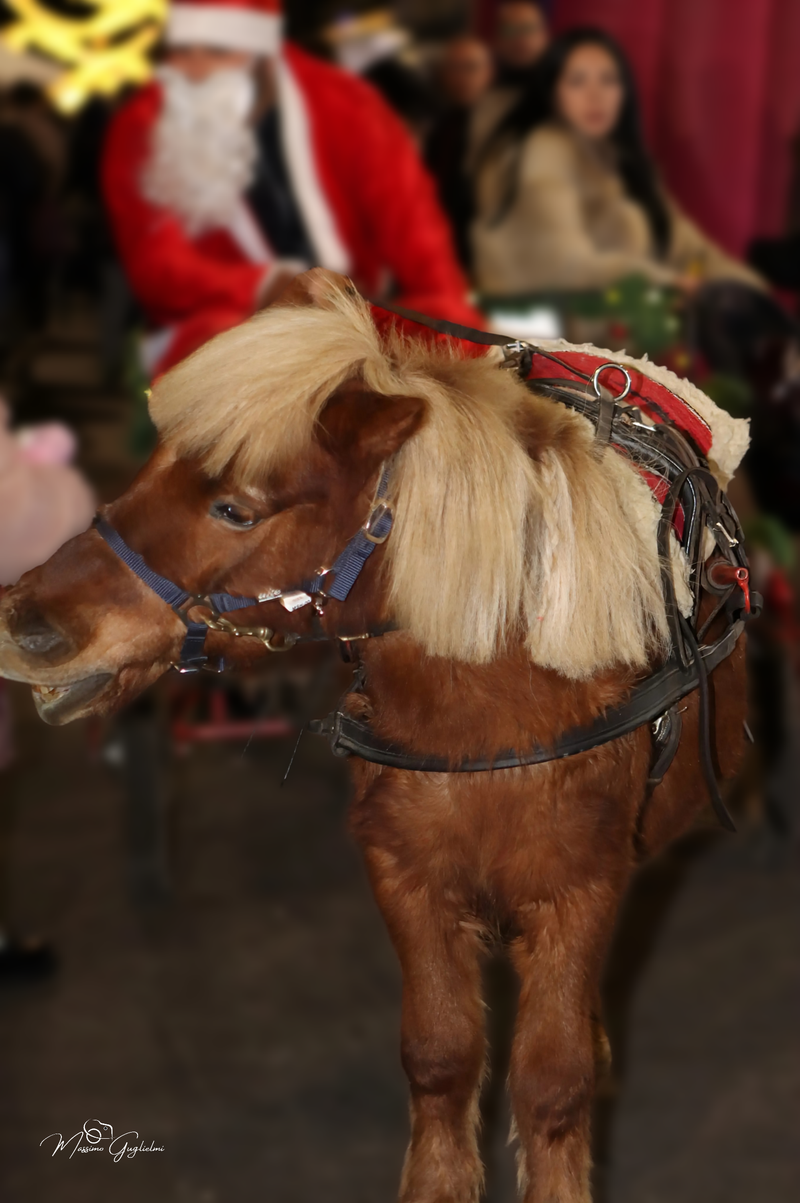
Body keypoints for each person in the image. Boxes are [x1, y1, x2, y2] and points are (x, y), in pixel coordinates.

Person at [102, 0, 479, 378]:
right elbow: (157, 266)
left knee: (452, 327)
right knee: (222, 352)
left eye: (218, 51)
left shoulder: (347, 103)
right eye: (183, 50)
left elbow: (415, 229)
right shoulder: (143, 125)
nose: (196, 69)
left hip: (359, 309)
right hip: (230, 322)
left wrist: (446, 317)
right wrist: (268, 285)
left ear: (263, 54)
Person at [471, 27, 767, 299]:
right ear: (552, 91)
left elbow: (691, 250)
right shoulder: (541, 151)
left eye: (608, 80)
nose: (595, 95)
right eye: (577, 81)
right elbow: (564, 267)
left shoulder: (621, 160)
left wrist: (750, 292)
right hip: (549, 344)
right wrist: (668, 284)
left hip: (623, 340)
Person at [425, 36, 493, 270]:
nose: (462, 77)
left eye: (470, 68)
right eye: (454, 68)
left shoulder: (503, 129)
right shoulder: (441, 126)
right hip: (444, 254)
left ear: (488, 73)